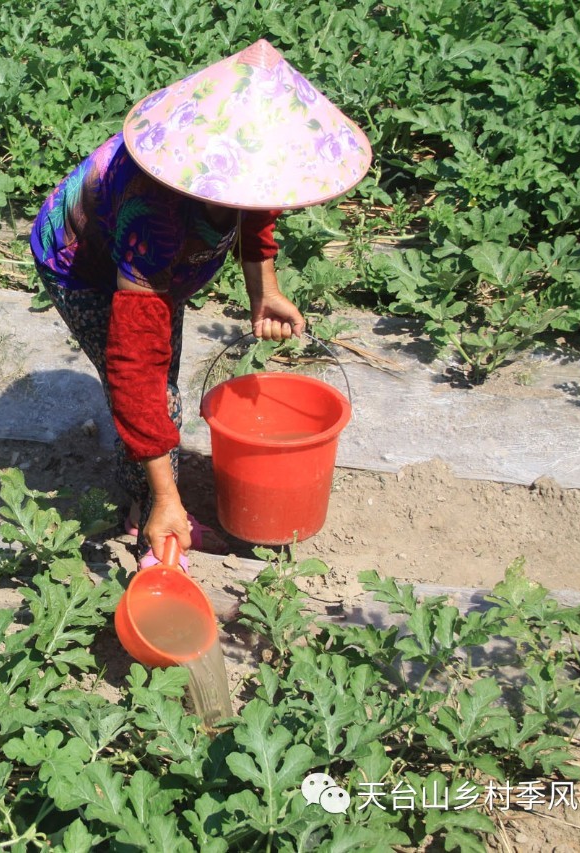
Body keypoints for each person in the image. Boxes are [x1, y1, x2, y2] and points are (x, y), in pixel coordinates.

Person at [29, 39, 371, 557]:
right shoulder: (155, 215)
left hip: (154, 265)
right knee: (152, 390)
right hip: (84, 268)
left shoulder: (236, 172)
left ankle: (153, 488)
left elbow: (256, 204)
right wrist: (168, 496)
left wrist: (265, 291)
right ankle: (146, 510)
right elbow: (134, 362)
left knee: (161, 385)